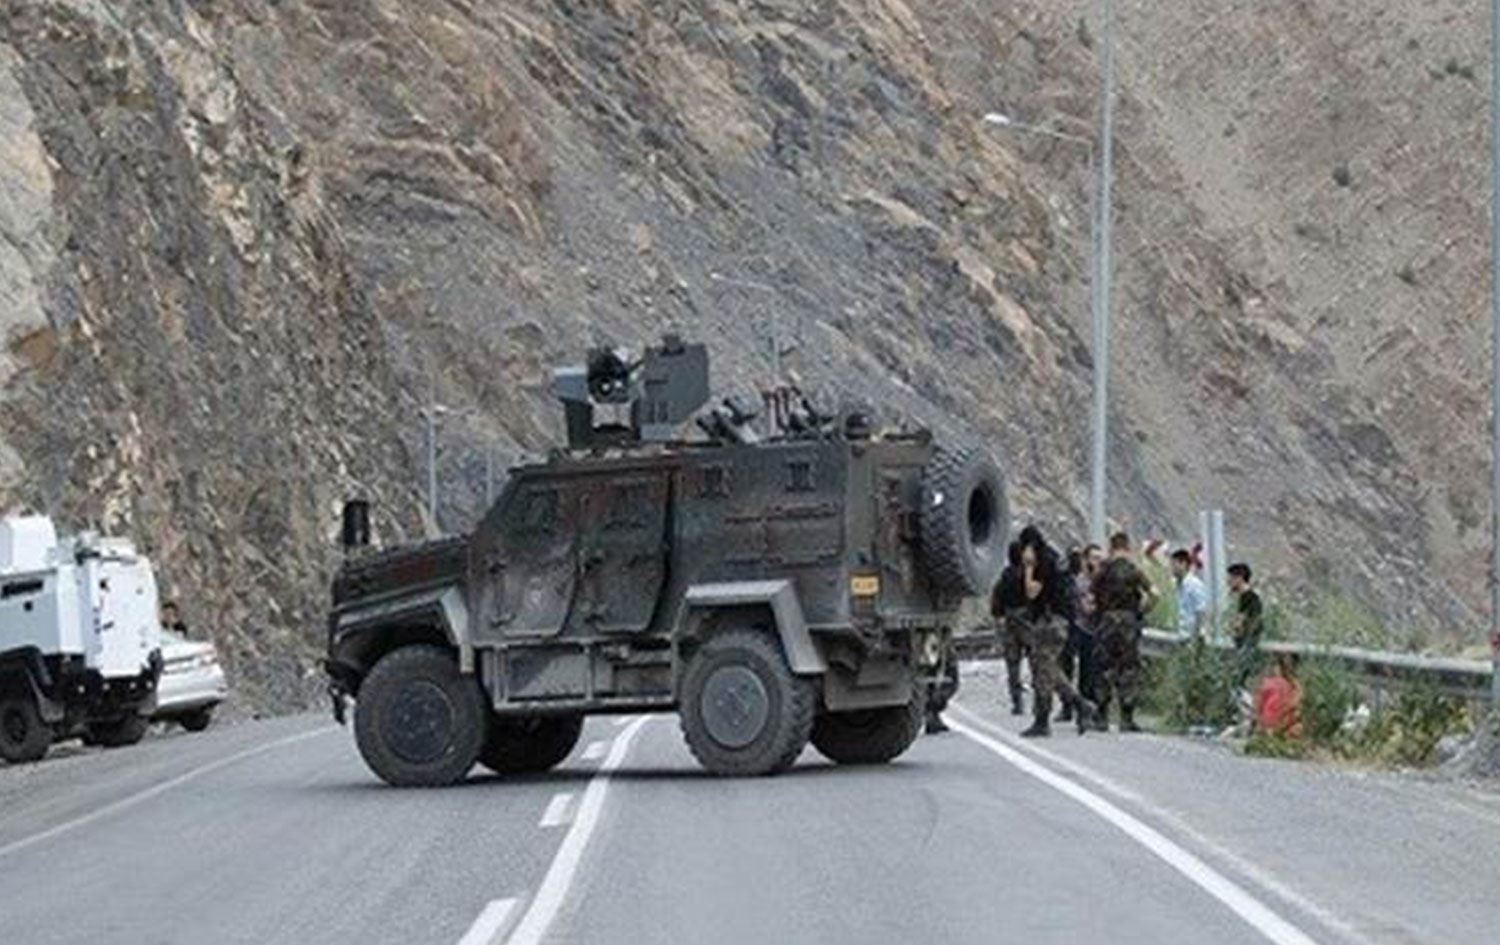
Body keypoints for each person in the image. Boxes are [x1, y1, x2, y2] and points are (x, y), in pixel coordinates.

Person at [1015, 525, 1094, 737]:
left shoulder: (1043, 561)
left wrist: (1028, 568)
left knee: (1043, 670)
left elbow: (1032, 592)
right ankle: (1080, 705)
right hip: (1057, 621)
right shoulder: (1053, 557)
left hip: (1050, 622)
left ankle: (1044, 720)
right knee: (1049, 668)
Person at [1091, 531, 1156, 732]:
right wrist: (1142, 611)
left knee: (1104, 666)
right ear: (1127, 547)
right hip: (1128, 621)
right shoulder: (1134, 570)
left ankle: (1102, 716)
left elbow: (1091, 595)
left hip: (1107, 621)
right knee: (1128, 668)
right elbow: (1155, 593)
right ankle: (1126, 718)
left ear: (1111, 547)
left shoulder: (1103, 569)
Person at [1055, 546, 1099, 721]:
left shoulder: (1101, 581)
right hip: (1076, 627)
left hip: (1093, 630)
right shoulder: (1077, 582)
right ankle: (1068, 706)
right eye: (1094, 558)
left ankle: (1086, 708)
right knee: (1067, 666)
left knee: (1088, 671)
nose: (1097, 562)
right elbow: (1085, 607)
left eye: (1099, 558)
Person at [991, 542, 1029, 716]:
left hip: (1010, 623)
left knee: (1013, 666)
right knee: (1036, 662)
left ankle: (1017, 702)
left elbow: (996, 607)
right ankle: (1041, 700)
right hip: (1029, 622)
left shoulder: (1004, 578)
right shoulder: (1028, 576)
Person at [1227, 563, 1264, 685]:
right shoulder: (1243, 598)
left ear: (1240, 578)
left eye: (1231, 578)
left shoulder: (1251, 599)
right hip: (1243, 645)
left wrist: (1237, 627)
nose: (1228, 581)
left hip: (1248, 645)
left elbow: (1247, 623)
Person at [1254, 652, 1302, 738]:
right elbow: (1259, 703)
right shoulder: (1270, 683)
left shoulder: (1293, 686)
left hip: (1280, 725)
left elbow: (1259, 703)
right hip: (1274, 724)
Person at [1170, 549, 1209, 638]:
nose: (1172, 569)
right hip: (1182, 634)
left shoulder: (1194, 584)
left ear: (1183, 564)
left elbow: (1201, 611)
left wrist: (1197, 635)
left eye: (1174, 565)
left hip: (1192, 636)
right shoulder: (1178, 584)